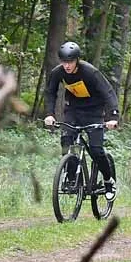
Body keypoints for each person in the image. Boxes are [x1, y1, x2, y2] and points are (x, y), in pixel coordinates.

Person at [44, 41, 119, 202]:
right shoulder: (58, 72)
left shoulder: (90, 72)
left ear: (77, 60)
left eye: (70, 62)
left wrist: (113, 117)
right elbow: (50, 92)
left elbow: (108, 92)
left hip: (94, 111)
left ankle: (108, 181)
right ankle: (72, 179)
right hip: (73, 110)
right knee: (66, 140)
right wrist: (50, 114)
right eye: (64, 62)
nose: (67, 66)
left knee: (96, 150)